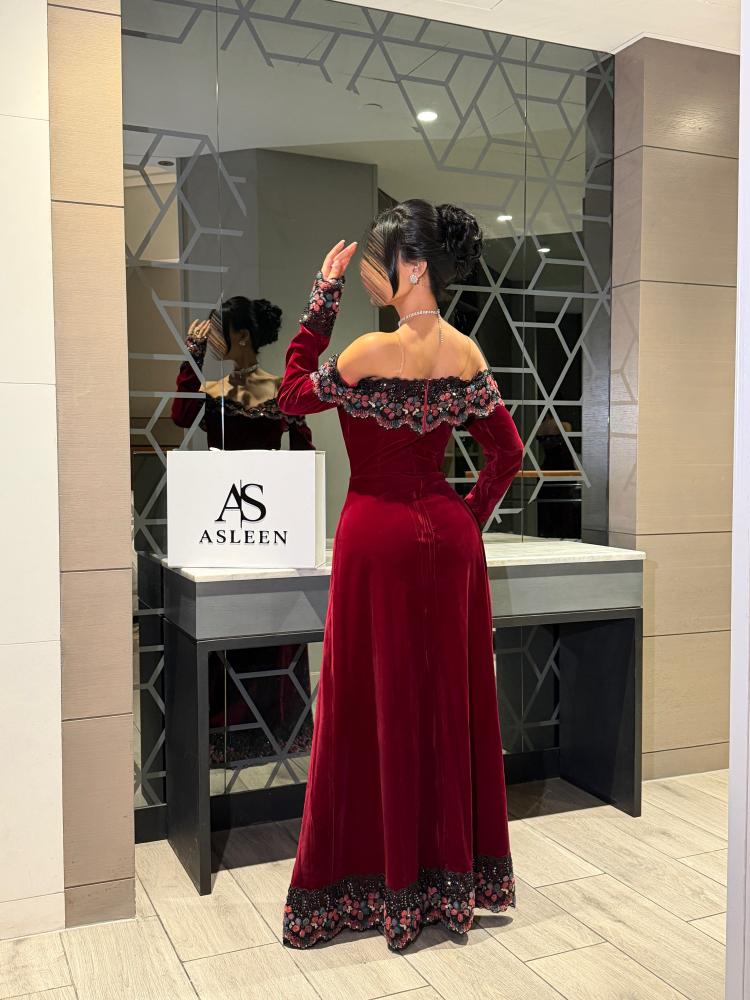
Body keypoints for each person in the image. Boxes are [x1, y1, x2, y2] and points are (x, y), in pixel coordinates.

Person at [277, 199, 524, 952]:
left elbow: (291, 395)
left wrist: (322, 300)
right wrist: (464, 521)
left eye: (378, 259)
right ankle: (448, 884)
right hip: (447, 542)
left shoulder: (365, 353)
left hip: (376, 538)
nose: (368, 271)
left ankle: (371, 884)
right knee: (444, 702)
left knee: (367, 704)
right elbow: (507, 455)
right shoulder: (467, 354)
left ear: (413, 269)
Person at [171, 297, 315, 768]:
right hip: (226, 527)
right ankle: (232, 732)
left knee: (269, 621)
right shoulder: (216, 391)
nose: (213, 340)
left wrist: (299, 520)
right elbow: (179, 416)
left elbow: (303, 457)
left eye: (218, 332)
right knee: (233, 621)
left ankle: (273, 731)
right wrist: (193, 356)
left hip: (267, 529)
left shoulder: (279, 391)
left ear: (242, 337)